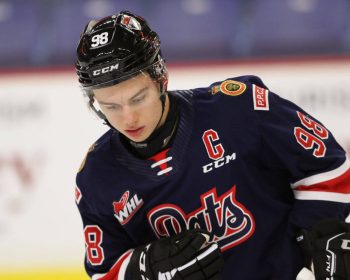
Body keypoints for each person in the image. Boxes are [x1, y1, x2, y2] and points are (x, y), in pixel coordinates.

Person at [74, 11, 350, 280]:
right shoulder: (97, 177)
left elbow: (327, 168)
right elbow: (103, 271)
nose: (128, 118)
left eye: (138, 98)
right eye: (110, 106)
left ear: (160, 77)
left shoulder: (240, 108)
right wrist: (145, 267)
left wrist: (321, 233)